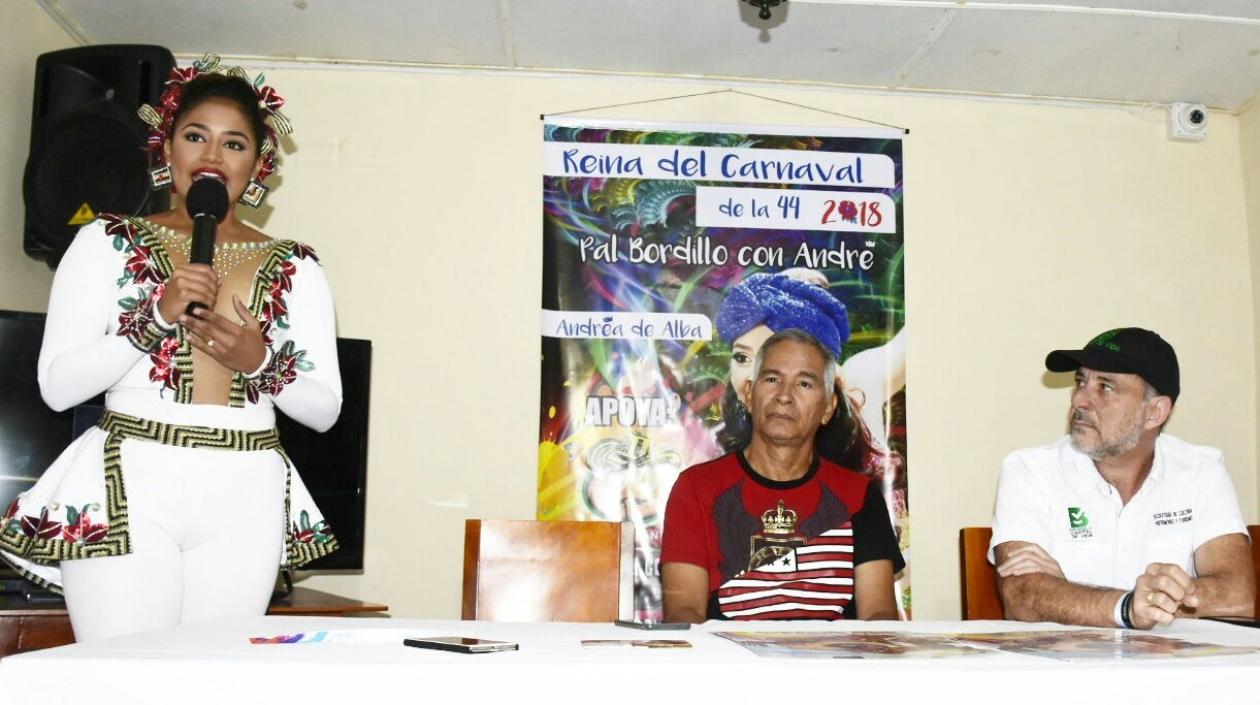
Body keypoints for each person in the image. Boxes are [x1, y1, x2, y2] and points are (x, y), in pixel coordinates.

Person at [0, 55, 341, 641]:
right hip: (131, 476)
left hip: (247, 488)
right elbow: (57, 388)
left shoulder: (298, 264)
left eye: (233, 143)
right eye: (195, 136)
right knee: (122, 673)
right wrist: (155, 316)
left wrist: (259, 363)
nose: (213, 156)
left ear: (258, 162)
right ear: (166, 147)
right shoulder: (106, 241)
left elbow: (324, 409)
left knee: (216, 676)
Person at [990, 327, 1255, 629]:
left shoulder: (1201, 471)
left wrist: (1069, 594)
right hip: (1070, 657)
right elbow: (1023, 596)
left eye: (1105, 387)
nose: (1079, 400)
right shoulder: (1029, 470)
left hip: (1169, 658)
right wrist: (1128, 607)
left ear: (1155, 412)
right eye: (1081, 382)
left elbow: (1237, 598)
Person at [660, 328, 904, 622]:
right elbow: (683, 612)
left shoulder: (860, 495)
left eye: (804, 383)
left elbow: (879, 615)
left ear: (828, 408)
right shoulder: (696, 489)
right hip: (728, 652)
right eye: (772, 379)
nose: (785, 396)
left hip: (837, 653)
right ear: (749, 394)